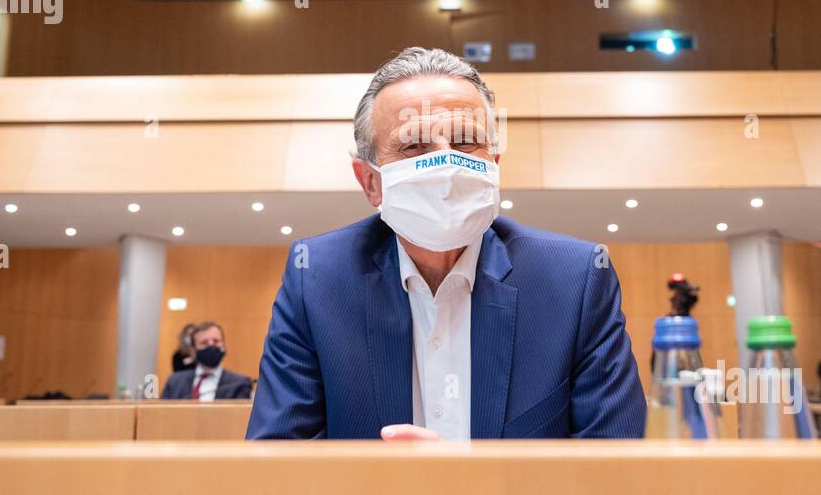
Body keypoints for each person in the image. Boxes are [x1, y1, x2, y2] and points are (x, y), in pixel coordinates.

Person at [247, 46, 646, 440]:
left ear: (493, 162)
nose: (446, 163)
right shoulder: (316, 280)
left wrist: (471, 491)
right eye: (414, 146)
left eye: (465, 141)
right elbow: (278, 464)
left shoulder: (575, 280)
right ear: (370, 182)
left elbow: (615, 465)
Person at [161, 322, 252, 400]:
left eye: (216, 341)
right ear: (193, 349)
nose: (211, 345)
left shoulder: (240, 383)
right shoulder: (174, 382)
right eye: (204, 342)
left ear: (223, 345)